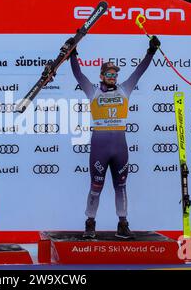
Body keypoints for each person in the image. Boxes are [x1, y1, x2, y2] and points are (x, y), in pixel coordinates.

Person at [68, 36, 161, 239]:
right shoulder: (92, 90)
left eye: (115, 73)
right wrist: (73, 52)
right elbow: (78, 74)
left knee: (121, 186)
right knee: (96, 186)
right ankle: (90, 224)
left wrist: (151, 51)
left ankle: (123, 223)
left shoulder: (125, 89)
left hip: (120, 146)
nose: (112, 76)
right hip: (100, 146)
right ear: (102, 75)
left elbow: (139, 71)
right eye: (109, 73)